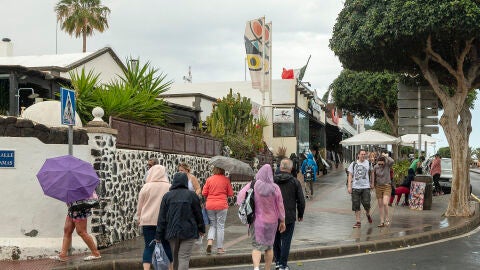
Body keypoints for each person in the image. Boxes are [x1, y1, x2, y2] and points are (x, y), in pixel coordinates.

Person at [237, 164, 286, 270]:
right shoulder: (275, 188)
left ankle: (256, 268)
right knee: (269, 247)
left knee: (257, 246)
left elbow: (240, 198)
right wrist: (282, 221)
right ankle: (267, 268)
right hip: (272, 222)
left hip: (257, 221)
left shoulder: (253, 185)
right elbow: (280, 206)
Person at [156, 172, 205, 270]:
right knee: (184, 257)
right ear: (185, 182)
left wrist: (158, 235)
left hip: (172, 230)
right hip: (189, 231)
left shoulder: (167, 196)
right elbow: (198, 214)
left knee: (175, 257)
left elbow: (162, 217)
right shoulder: (192, 195)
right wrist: (201, 229)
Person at [137, 165, 172, 270]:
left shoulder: (146, 187)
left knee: (149, 246)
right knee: (167, 245)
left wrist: (139, 218)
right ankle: (171, 268)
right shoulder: (169, 187)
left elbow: (140, 206)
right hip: (165, 222)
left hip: (148, 221)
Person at [273, 158, 305, 270]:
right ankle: (283, 264)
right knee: (286, 240)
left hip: (273, 215)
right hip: (289, 216)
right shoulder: (295, 182)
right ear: (291, 168)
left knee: (275, 239)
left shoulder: (272, 180)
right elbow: (301, 200)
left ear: (280, 167)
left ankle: (277, 261)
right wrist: (300, 214)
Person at [49, 193, 101, 262]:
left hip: (80, 207)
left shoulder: (79, 183)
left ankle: (96, 253)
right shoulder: (69, 183)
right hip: (72, 208)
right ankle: (62, 255)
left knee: (81, 231)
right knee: (67, 230)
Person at [202, 166, 234, 255]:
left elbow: (204, 193)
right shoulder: (226, 180)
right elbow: (231, 193)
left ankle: (209, 243)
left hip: (210, 205)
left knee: (213, 225)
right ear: (223, 170)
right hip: (222, 205)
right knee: (220, 226)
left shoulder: (209, 179)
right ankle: (219, 248)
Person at [347, 149, 373, 228]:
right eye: (362, 154)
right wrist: (349, 186)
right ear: (358, 155)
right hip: (355, 187)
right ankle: (358, 222)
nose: (363, 156)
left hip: (366, 187)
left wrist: (372, 183)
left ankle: (367, 214)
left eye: (364, 154)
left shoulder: (368, 163)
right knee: (356, 205)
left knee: (367, 203)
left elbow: (372, 173)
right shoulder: (353, 164)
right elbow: (350, 175)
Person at [373, 154, 394, 227]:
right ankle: (381, 221)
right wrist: (373, 184)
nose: (380, 164)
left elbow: (392, 161)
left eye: (382, 162)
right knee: (380, 205)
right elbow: (373, 176)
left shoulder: (387, 165)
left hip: (387, 186)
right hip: (378, 187)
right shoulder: (375, 167)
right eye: (379, 162)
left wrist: (385, 156)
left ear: (384, 162)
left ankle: (387, 218)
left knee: (385, 203)